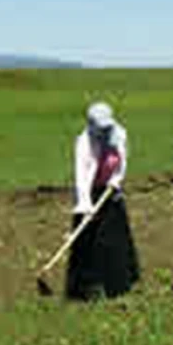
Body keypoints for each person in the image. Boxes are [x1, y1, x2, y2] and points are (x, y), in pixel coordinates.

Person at [65, 102, 140, 300]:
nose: (105, 130)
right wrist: (85, 204)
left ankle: (120, 283)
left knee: (115, 239)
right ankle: (88, 287)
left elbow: (122, 160)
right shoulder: (83, 143)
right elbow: (81, 177)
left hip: (110, 191)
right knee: (89, 241)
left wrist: (116, 180)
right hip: (91, 192)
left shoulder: (119, 133)